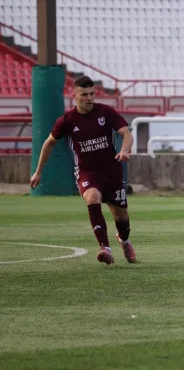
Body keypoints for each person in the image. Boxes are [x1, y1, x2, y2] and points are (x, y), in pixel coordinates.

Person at [30, 76, 137, 265]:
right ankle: (105, 248)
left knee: (121, 216)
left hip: (111, 171)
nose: (89, 98)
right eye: (84, 94)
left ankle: (124, 240)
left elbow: (126, 133)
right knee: (92, 197)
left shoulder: (105, 112)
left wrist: (124, 150)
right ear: (75, 97)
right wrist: (38, 171)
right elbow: (49, 143)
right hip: (87, 172)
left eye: (92, 94)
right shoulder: (67, 121)